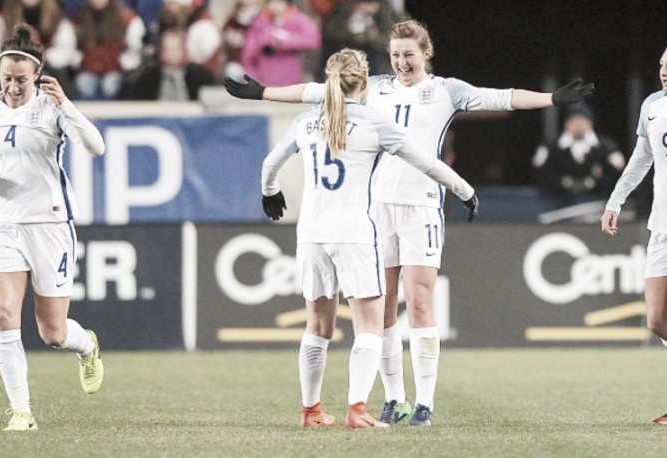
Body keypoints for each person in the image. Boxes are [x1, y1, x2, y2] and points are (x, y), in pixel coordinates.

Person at [225, 19, 595, 427]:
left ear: (426, 53)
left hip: (420, 205)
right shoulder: (375, 87)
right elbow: (315, 91)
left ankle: (424, 404)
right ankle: (393, 399)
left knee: (418, 302)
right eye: (396, 54)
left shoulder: (445, 90)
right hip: (376, 208)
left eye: (409, 55)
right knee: (381, 310)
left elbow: (501, 98)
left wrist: (552, 99)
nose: (401, 62)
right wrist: (260, 92)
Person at [261, 47, 478, 429]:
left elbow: (269, 164)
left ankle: (310, 411)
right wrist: (464, 191)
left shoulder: (307, 121)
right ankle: (357, 410)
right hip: (355, 233)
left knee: (317, 327)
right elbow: (426, 162)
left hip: (310, 233)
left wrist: (270, 191)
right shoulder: (373, 123)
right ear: (364, 83)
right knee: (369, 325)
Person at [0, 23, 105, 431]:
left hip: (49, 224)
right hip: (3, 225)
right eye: (6, 78)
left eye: (21, 79)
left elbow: (96, 146)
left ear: (38, 73)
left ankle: (87, 346)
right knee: (4, 314)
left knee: (53, 333)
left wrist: (67, 105)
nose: (12, 86)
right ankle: (22, 412)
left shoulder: (51, 108)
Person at [600, 46, 667, 425]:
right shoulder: (653, 106)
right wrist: (615, 200)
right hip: (662, 226)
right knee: (657, 319)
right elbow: (641, 158)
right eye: (660, 65)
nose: (664, 71)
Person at [0, 0, 80, 99]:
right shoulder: (5, 16)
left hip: (45, 66)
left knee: (57, 75)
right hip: (12, 64)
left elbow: (66, 48)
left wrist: (42, 58)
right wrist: (8, 58)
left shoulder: (56, 17)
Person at [532, 102, 625, 209]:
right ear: (566, 124)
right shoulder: (551, 147)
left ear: (590, 123)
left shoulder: (605, 146)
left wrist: (593, 183)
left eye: (582, 121)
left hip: (597, 203)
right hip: (558, 204)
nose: (578, 126)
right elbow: (540, 172)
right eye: (574, 121)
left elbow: (617, 171)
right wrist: (564, 183)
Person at [72, 0, 145, 100]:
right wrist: (79, 61)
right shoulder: (80, 18)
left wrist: (123, 63)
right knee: (83, 83)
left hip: (115, 71)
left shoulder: (126, 18)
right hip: (88, 70)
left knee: (110, 85)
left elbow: (134, 49)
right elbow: (72, 47)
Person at [240, 0, 321, 86]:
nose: (275, 6)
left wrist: (285, 41)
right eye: (272, 2)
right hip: (265, 77)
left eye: (279, 2)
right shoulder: (261, 21)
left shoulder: (297, 19)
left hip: (289, 78)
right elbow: (249, 53)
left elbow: (313, 40)